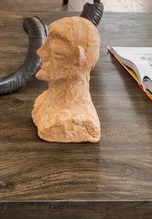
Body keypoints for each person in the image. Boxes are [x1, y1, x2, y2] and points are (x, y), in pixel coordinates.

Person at [31, 15, 101, 143]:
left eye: (56, 52)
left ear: (78, 61)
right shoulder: (43, 101)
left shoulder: (80, 121)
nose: (40, 52)